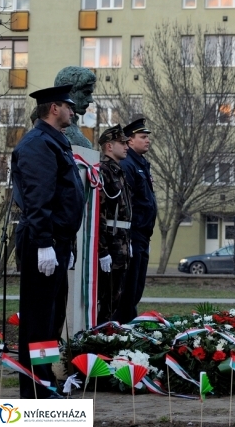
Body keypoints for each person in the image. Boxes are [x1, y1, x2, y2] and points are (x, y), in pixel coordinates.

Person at [12, 85, 85, 398]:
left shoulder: (56, 142)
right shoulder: (39, 144)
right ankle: (36, 390)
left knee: (51, 319)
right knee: (39, 321)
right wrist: (44, 242)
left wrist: (65, 244)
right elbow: (38, 197)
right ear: (54, 108)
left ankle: (44, 383)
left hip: (57, 242)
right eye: (69, 106)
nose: (73, 111)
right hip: (43, 242)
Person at [116, 118, 157, 324]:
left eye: (148, 136)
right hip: (132, 235)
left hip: (143, 235)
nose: (147, 140)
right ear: (130, 141)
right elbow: (127, 204)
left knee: (136, 288)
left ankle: (126, 327)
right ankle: (122, 330)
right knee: (128, 290)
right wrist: (129, 237)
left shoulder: (140, 163)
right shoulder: (128, 164)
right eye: (143, 137)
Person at [97, 125, 133, 323]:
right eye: (122, 143)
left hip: (121, 243)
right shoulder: (105, 171)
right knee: (107, 298)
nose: (127, 146)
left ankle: (107, 337)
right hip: (111, 244)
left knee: (116, 299)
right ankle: (98, 342)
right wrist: (102, 250)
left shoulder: (119, 171)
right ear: (109, 146)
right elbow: (101, 213)